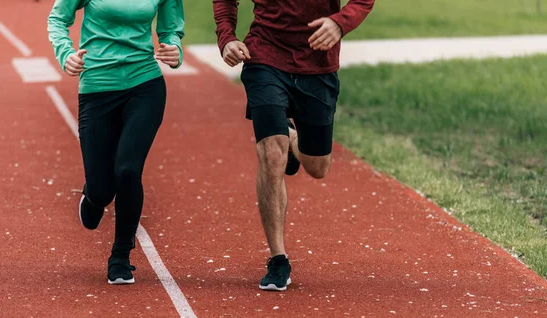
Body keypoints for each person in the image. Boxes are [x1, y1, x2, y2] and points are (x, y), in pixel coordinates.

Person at [213, 0, 375, 291]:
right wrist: (227, 37)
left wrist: (341, 22)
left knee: (317, 167)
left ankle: (293, 138)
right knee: (271, 153)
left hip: (318, 65)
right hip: (264, 57)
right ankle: (278, 258)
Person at [48, 0, 184, 285]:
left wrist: (174, 49)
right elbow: (58, 19)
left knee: (127, 169)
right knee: (102, 190)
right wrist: (66, 54)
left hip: (145, 84)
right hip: (97, 87)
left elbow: (171, 30)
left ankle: (120, 256)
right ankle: (95, 194)